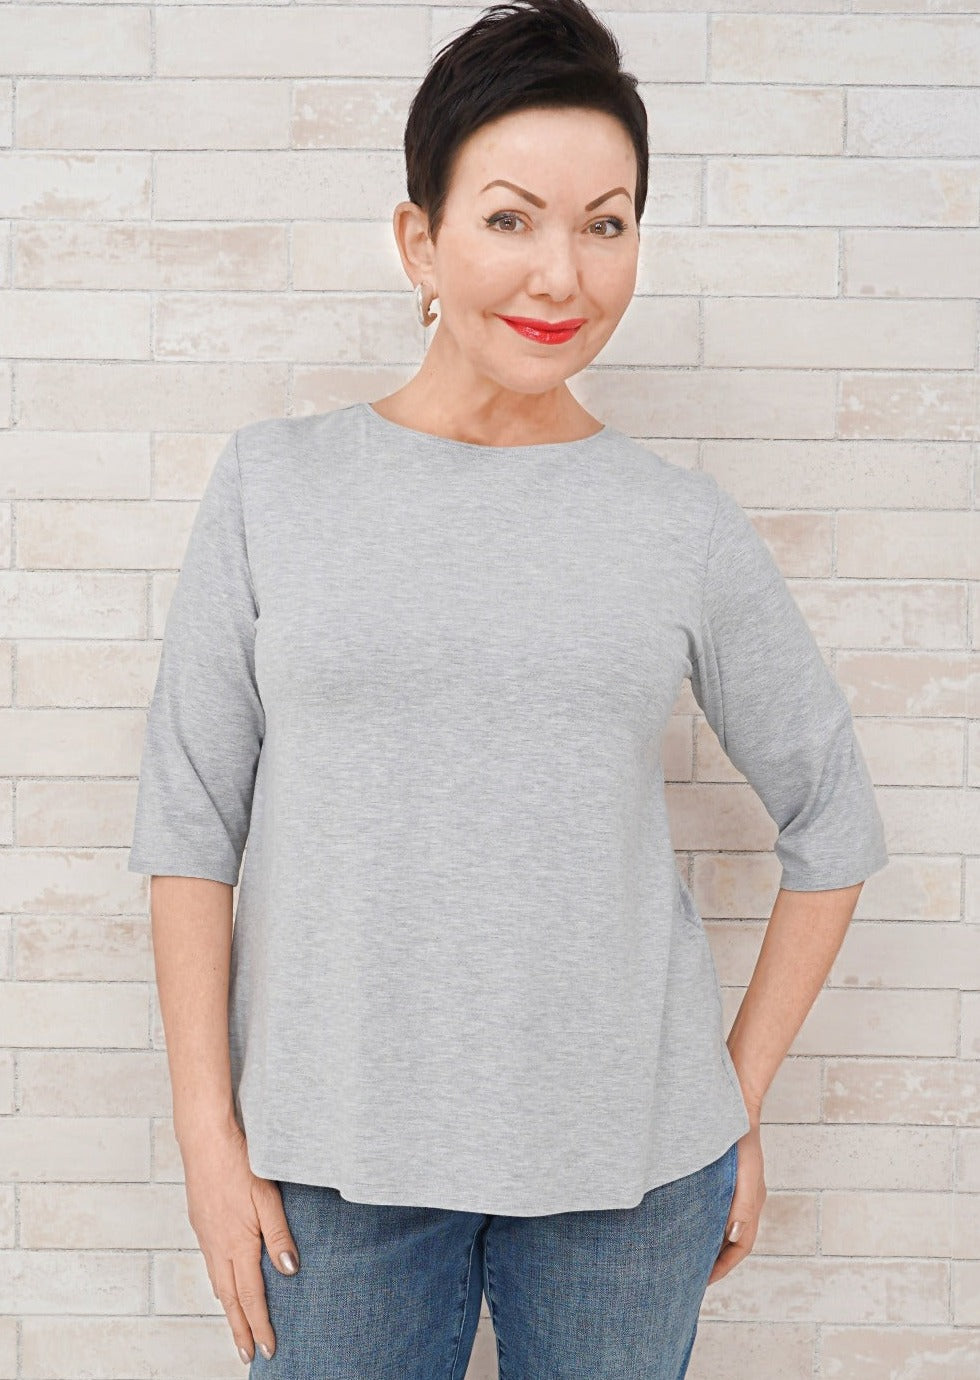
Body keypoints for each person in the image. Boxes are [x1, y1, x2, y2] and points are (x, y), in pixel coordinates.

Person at [127, 0, 890, 1375]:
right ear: (420, 240)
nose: (562, 274)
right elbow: (192, 820)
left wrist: (731, 1100)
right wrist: (205, 1134)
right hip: (330, 1171)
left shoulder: (678, 524)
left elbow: (832, 821)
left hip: (627, 1181)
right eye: (510, 219)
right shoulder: (273, 485)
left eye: (606, 224)